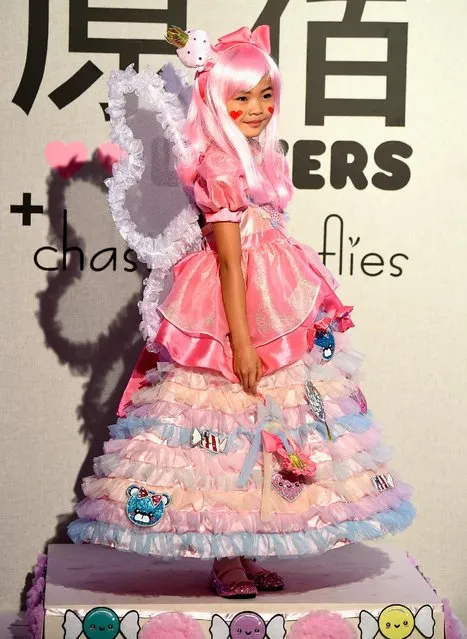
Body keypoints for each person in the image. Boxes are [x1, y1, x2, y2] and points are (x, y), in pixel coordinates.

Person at [68, 24, 415, 599]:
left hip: (275, 301)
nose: (256, 109)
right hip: (232, 311)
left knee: (269, 428)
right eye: (241, 97)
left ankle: (247, 548)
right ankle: (223, 556)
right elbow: (230, 265)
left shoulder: (258, 157)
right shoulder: (219, 167)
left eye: (264, 94)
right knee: (221, 427)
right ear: (215, 100)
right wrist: (243, 342)